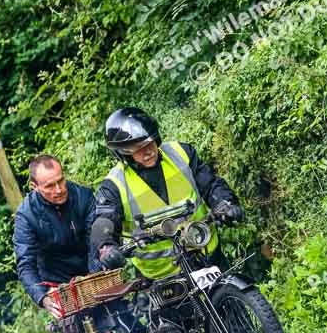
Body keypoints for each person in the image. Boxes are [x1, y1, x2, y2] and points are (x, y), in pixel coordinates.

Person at [92, 107, 245, 278]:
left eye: (150, 142)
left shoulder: (181, 153)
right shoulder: (114, 185)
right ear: (123, 153)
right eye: (137, 147)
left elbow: (210, 184)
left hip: (207, 254)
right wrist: (105, 247)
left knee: (239, 298)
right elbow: (104, 220)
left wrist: (225, 203)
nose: (148, 151)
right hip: (161, 276)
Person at [13, 154, 96, 318]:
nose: (59, 190)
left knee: (128, 326)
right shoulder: (26, 216)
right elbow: (25, 263)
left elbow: (96, 240)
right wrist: (42, 297)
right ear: (34, 186)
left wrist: (94, 274)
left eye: (61, 181)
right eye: (50, 186)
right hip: (58, 285)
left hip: (92, 273)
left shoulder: (83, 196)